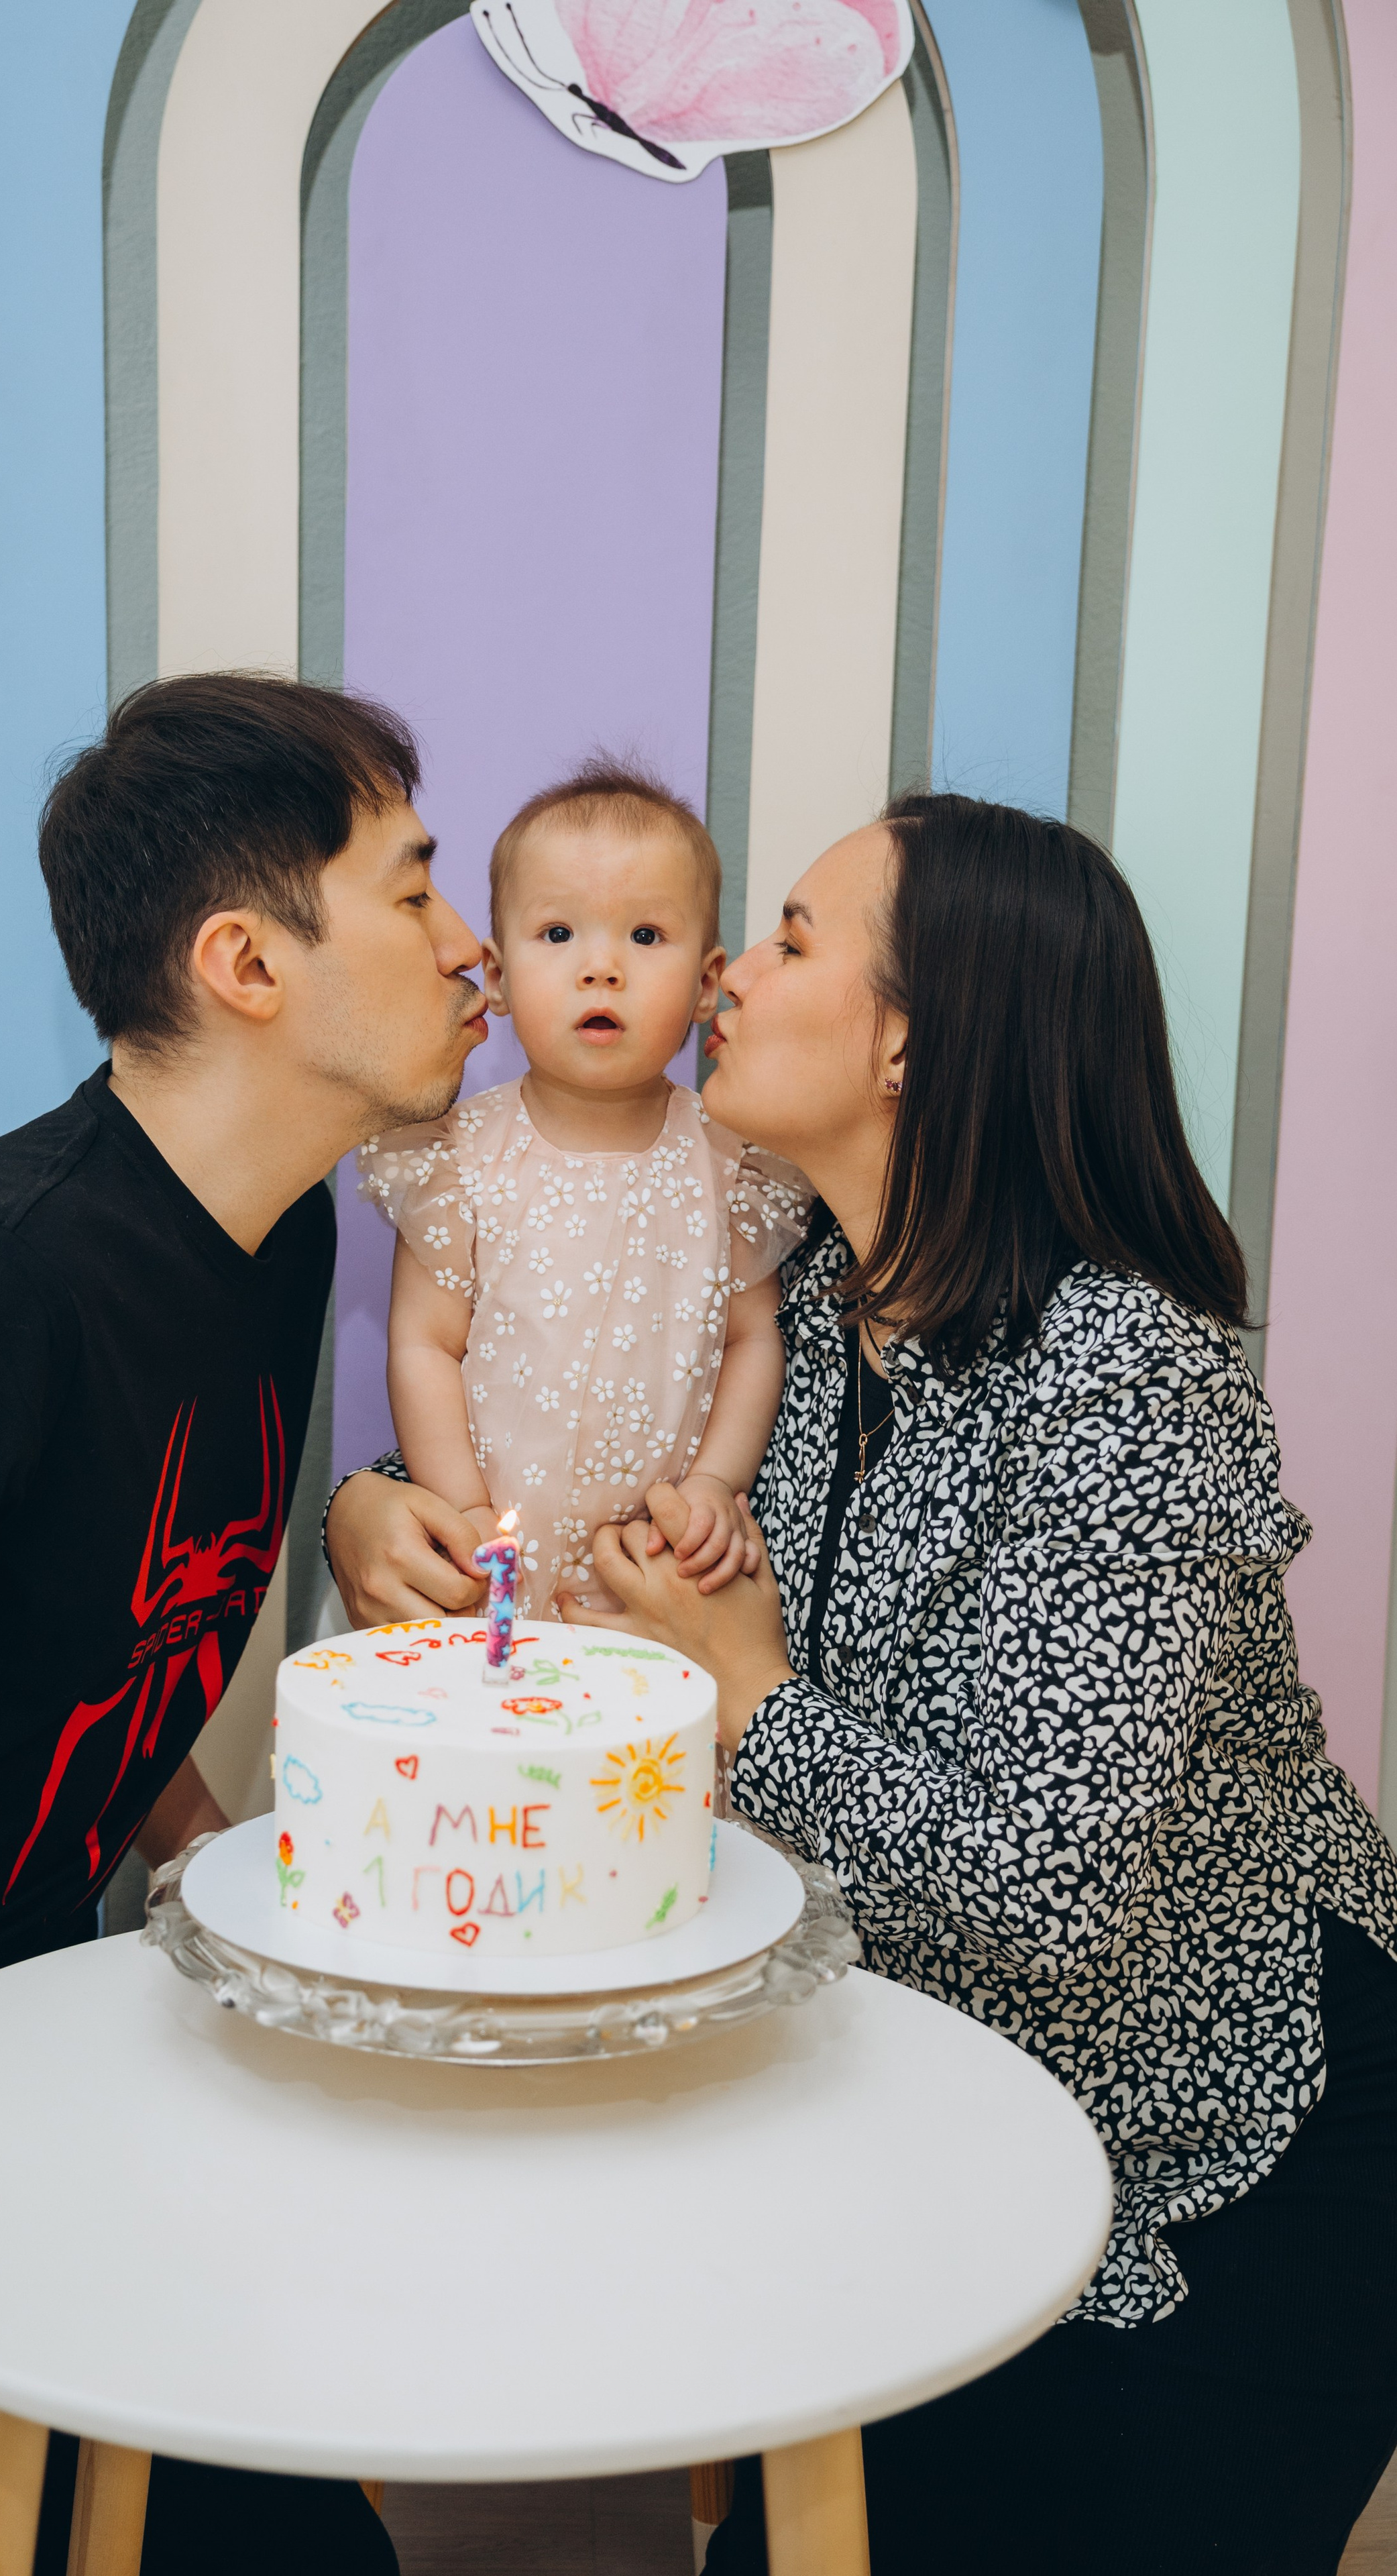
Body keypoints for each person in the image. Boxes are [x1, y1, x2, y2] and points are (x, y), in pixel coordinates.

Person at [326, 792, 1397, 2575]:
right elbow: (557, 1455)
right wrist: (377, 1504)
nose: (727, 974)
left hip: (1223, 2137)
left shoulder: (1129, 1382)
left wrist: (749, 1693)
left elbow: (1050, 1890)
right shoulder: (816, 1296)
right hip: (947, 2122)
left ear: (912, 1037)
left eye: (793, 943)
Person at [0, 673, 488, 2574]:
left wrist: (216, 1862)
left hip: (13, 2028)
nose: (469, 952)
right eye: (414, 888)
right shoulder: (3, 1285)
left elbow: (95, 1627)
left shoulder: (273, 1225)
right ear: (246, 962)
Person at [358, 760, 810, 1613]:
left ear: (707, 984)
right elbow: (424, 1346)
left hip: (646, 1577)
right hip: (487, 1563)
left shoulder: (729, 1165)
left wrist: (716, 1482)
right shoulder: (459, 1158)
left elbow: (754, 1339)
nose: (601, 968)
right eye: (558, 934)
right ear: (495, 974)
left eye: (645, 937)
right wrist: (463, 1511)